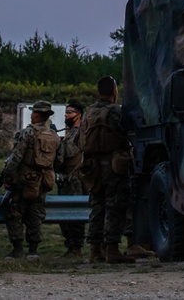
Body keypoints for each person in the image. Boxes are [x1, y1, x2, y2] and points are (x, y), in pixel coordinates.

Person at [79, 75, 135, 264]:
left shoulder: (89, 112)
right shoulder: (114, 112)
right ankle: (112, 249)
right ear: (114, 92)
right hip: (113, 165)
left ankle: (95, 250)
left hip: (92, 165)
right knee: (116, 206)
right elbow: (127, 132)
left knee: (97, 205)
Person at [0, 100, 61, 260]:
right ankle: (33, 251)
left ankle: (18, 249)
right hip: (44, 181)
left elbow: (16, 157)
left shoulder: (28, 133)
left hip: (25, 180)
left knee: (14, 212)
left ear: (36, 114)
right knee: (36, 215)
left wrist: (8, 175)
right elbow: (59, 160)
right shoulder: (54, 136)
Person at [55, 100, 86, 257]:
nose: (66, 115)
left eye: (70, 113)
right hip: (65, 178)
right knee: (65, 215)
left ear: (78, 115)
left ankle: (76, 246)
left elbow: (69, 153)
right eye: (66, 112)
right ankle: (70, 244)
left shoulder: (80, 132)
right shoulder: (69, 133)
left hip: (75, 179)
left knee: (75, 213)